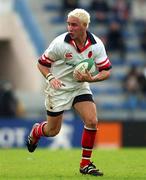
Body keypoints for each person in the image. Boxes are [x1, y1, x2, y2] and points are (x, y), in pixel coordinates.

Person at [26, 8, 112, 176]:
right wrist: (51, 78)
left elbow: (106, 71)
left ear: (85, 26)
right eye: (68, 24)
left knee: (92, 120)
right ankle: (37, 131)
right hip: (58, 89)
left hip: (80, 86)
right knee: (52, 131)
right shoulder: (60, 43)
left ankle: (85, 164)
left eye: (74, 25)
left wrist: (91, 79)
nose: (70, 28)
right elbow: (41, 64)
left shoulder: (96, 45)